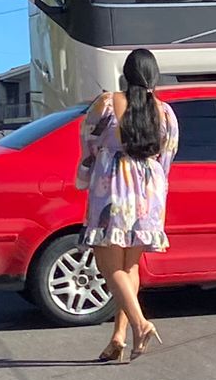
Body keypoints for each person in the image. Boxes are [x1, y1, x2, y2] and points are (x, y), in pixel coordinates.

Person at [77, 48, 179, 363]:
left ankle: (140, 323)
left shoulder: (106, 103)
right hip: (150, 190)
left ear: (126, 72)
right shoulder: (165, 112)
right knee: (130, 267)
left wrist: (85, 176)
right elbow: (167, 156)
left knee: (109, 267)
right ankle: (119, 337)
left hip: (112, 189)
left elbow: (88, 143)